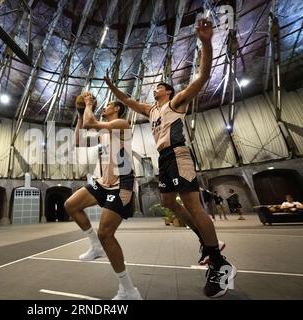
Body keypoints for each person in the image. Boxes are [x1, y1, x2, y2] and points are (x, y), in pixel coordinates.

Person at [104, 18, 236, 298]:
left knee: (193, 206)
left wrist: (206, 43)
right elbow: (127, 102)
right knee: (168, 203)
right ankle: (205, 240)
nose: (155, 89)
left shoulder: (175, 103)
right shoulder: (151, 111)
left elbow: (201, 78)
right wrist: (112, 88)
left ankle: (219, 263)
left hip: (178, 154)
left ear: (168, 91)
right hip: (164, 159)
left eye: (159, 87)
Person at [64, 92, 142, 300]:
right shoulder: (104, 133)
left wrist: (88, 105)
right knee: (71, 205)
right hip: (103, 182)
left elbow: (92, 121)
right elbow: (79, 140)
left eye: (108, 105)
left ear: (116, 109)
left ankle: (129, 290)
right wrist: (80, 115)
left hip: (122, 184)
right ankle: (95, 246)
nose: (104, 107)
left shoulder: (121, 124)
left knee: (106, 234)